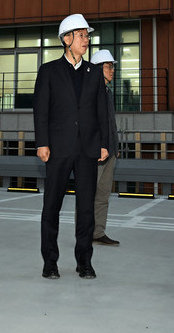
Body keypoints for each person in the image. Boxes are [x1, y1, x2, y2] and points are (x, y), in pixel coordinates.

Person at [34, 14, 109, 280]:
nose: (86, 40)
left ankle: (84, 262)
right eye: (81, 35)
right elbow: (41, 110)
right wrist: (42, 142)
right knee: (51, 207)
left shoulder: (95, 72)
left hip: (87, 149)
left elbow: (102, 111)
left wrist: (104, 143)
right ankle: (50, 262)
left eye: (87, 36)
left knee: (86, 209)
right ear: (67, 39)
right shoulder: (49, 71)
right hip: (57, 149)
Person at [90, 49, 120, 247]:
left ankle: (97, 232)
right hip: (96, 152)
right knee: (88, 195)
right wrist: (99, 147)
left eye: (112, 67)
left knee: (102, 195)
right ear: (98, 69)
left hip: (110, 151)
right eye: (109, 66)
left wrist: (114, 146)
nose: (112, 70)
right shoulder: (90, 92)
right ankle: (84, 232)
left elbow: (110, 123)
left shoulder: (107, 92)